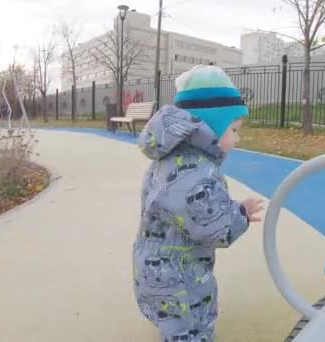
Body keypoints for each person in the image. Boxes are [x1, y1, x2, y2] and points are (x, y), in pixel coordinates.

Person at [133, 65, 264, 342]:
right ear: (211, 127)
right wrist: (240, 213)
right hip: (179, 276)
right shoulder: (193, 170)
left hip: (160, 264)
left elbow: (190, 209)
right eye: (235, 129)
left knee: (174, 321)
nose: (238, 139)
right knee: (191, 326)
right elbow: (214, 227)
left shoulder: (173, 158)